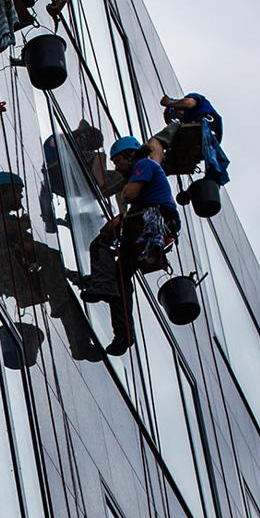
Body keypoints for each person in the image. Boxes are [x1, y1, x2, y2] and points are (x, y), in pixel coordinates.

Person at [0, 171, 104, 361]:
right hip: (0, 266)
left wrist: (67, 274)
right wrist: (22, 224)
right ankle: (58, 302)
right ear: (3, 192)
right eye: (17, 192)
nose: (20, 196)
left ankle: (80, 345)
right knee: (45, 253)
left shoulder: (8, 219)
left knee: (65, 292)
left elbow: (38, 255)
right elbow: (4, 229)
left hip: (15, 272)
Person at [80, 135, 179, 354]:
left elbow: (130, 194)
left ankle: (102, 285)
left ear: (130, 155)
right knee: (121, 277)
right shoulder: (144, 167)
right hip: (146, 221)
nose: (116, 166)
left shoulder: (144, 164)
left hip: (150, 219)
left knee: (100, 243)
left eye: (117, 161)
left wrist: (124, 199)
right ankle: (123, 335)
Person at [155, 90, 230, 190]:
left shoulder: (196, 102)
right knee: (212, 174)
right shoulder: (187, 123)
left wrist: (169, 103)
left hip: (204, 129)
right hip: (204, 143)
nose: (179, 117)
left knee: (176, 131)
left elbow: (189, 103)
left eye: (175, 115)